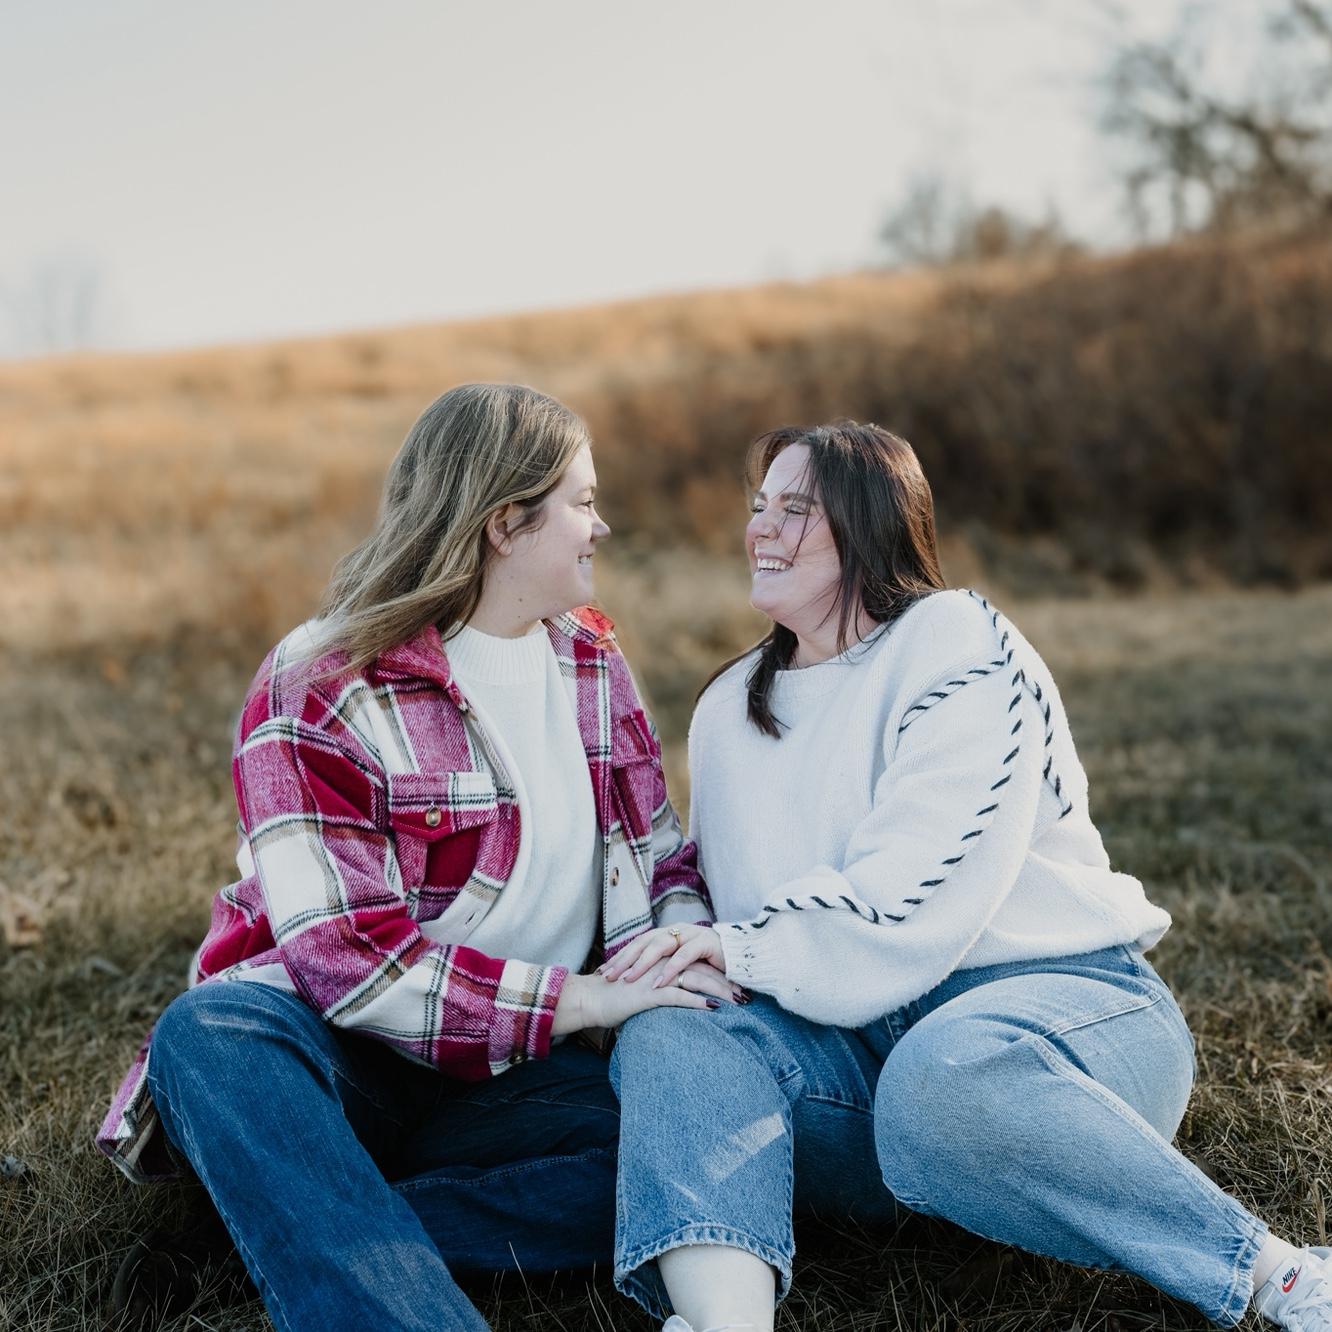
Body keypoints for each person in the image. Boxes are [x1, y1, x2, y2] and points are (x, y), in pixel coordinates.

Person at [600, 420, 1331, 1332]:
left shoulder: (957, 641)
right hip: (861, 1073)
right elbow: (724, 900)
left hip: (1055, 1022)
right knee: (674, 1033)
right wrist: (681, 943)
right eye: (759, 507)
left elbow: (915, 892)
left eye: (796, 509)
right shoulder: (726, 706)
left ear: (870, 523)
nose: (761, 529)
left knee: (939, 1080)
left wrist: (734, 946)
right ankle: (726, 1323)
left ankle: (1275, 1274)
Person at [96, 382, 735, 1332]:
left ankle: (302, 1226)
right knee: (210, 1035)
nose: (602, 526)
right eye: (583, 502)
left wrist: (674, 956)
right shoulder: (322, 681)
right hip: (345, 1060)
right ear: (505, 524)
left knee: (705, 1149)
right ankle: (335, 1232)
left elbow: (662, 854)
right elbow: (348, 963)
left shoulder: (593, 665)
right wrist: (582, 999)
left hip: (519, 1077)